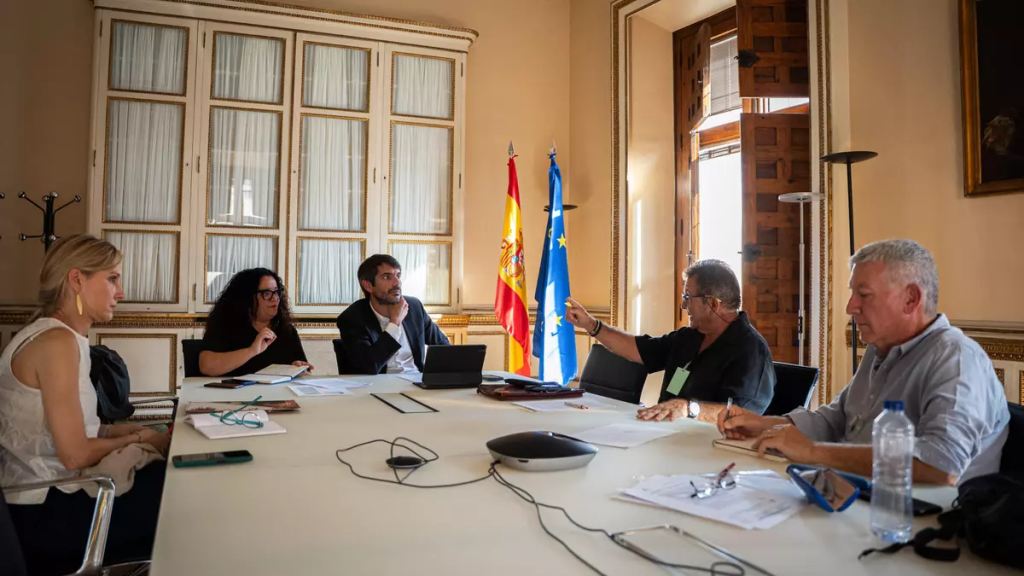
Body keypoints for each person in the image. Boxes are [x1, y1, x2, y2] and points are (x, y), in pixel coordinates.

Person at [719, 239, 1009, 485]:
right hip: (851, 498)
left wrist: (813, 452)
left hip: (918, 527)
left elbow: (941, 465)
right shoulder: (879, 348)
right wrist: (766, 425)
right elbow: (836, 419)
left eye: (864, 294)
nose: (850, 306)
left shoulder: (956, 359)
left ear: (911, 299)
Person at [0, 235, 170, 574]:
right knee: (191, 498)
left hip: (47, 503)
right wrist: (139, 439)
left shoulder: (55, 336)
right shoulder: (57, 342)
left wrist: (120, 430)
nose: (120, 293)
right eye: (112, 279)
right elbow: (75, 454)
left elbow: (68, 429)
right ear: (77, 279)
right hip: (48, 513)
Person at [566, 259, 775, 423]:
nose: (684, 307)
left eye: (687, 298)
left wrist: (687, 409)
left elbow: (740, 416)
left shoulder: (750, 351)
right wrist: (592, 325)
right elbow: (638, 349)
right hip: (663, 434)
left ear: (712, 303)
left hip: (708, 452)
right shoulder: (688, 337)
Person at [335, 254, 449, 375]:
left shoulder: (414, 307)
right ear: (368, 285)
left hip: (416, 383)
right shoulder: (352, 318)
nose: (397, 283)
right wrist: (394, 324)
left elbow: (443, 347)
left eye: (398, 275)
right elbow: (368, 367)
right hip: (379, 388)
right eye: (386, 277)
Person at [199, 268, 312, 377]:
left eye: (277, 292)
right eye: (267, 293)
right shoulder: (225, 326)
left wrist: (296, 369)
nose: (275, 299)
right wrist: (251, 351)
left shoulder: (287, 330)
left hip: (276, 395)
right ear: (247, 298)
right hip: (235, 395)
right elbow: (206, 366)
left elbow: (302, 368)